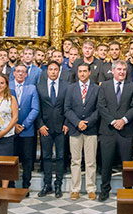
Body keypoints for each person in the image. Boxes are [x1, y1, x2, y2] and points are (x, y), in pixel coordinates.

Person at [97, 60, 133, 201]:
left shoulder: (132, 86)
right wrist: (113, 121)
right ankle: (104, 190)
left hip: (126, 131)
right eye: (119, 69)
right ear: (113, 71)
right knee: (106, 162)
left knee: (126, 164)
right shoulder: (104, 86)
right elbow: (101, 106)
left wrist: (123, 120)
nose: (122, 72)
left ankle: (128, 189)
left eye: (124, 69)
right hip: (108, 131)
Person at [64, 64, 99, 200]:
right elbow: (67, 108)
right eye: (80, 71)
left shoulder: (96, 89)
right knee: (75, 161)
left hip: (91, 129)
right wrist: (77, 122)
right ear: (77, 73)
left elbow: (99, 109)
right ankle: (75, 189)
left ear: (89, 72)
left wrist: (88, 122)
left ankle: (91, 188)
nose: (82, 74)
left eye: (85, 71)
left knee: (91, 161)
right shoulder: (71, 88)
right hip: (75, 128)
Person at [36, 62, 68, 198]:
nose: (53, 72)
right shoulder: (39, 86)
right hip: (45, 128)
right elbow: (37, 107)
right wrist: (40, 124)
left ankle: (58, 185)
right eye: (51, 69)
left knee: (61, 156)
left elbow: (68, 106)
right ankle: (47, 184)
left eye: (56, 70)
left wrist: (67, 123)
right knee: (46, 156)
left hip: (62, 127)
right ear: (47, 71)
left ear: (59, 71)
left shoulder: (66, 86)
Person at [9, 64, 40, 195]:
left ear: (26, 74)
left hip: (27, 130)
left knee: (27, 159)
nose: (21, 74)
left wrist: (25, 124)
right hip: (10, 129)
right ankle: (11, 185)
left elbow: (35, 109)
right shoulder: (8, 86)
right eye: (18, 71)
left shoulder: (31, 88)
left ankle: (26, 185)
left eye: (23, 72)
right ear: (14, 73)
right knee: (12, 159)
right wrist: (14, 124)